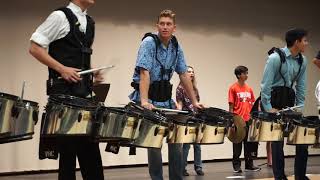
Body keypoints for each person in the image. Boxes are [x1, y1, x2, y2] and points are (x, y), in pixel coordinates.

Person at [29, 0, 104, 180]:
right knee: (68, 157)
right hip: (63, 97)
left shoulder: (90, 22)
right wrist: (61, 69)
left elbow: (81, 54)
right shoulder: (60, 16)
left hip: (84, 96)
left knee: (91, 154)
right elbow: (35, 47)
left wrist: (92, 73)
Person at [129, 9, 203, 180]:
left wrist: (194, 102)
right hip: (150, 99)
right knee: (154, 145)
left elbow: (183, 74)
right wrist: (145, 101)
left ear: (174, 28)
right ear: (157, 25)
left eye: (168, 24)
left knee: (176, 143)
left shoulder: (176, 46)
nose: (165, 27)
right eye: (162, 23)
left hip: (166, 100)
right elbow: (144, 73)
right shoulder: (149, 42)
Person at [260, 28, 308, 180]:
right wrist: (268, 108)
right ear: (296, 42)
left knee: (302, 138)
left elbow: (301, 86)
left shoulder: (302, 60)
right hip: (273, 101)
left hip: (289, 101)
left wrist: (300, 108)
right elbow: (265, 86)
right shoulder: (275, 58)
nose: (307, 43)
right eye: (305, 40)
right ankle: (279, 176)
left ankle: (300, 175)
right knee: (277, 141)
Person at [228, 65, 261, 173]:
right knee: (237, 144)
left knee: (249, 144)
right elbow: (231, 106)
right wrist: (231, 120)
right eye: (245, 73)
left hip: (248, 120)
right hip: (238, 120)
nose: (247, 75)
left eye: (247, 73)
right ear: (238, 75)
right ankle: (236, 165)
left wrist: (254, 117)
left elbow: (253, 104)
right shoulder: (233, 88)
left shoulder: (249, 88)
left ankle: (249, 164)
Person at [176, 66, 204, 176]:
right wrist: (178, 111)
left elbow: (196, 104)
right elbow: (180, 104)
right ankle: (182, 168)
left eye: (192, 72)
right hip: (187, 119)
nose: (191, 74)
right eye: (189, 72)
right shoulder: (180, 88)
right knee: (186, 145)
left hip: (196, 118)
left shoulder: (194, 89)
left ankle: (198, 167)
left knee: (197, 145)